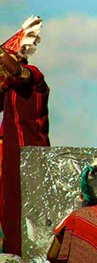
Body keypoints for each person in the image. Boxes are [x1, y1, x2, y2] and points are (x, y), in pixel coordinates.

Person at [0, 16, 49, 256]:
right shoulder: (7, 86)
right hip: (10, 159)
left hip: (32, 157)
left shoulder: (33, 74)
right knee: (9, 213)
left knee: (31, 217)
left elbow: (18, 73)